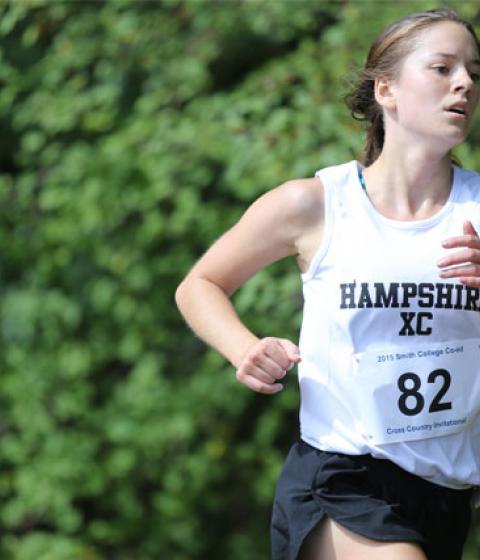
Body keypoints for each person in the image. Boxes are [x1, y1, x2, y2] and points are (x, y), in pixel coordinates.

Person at [175, 7, 480, 560]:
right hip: (342, 479)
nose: (464, 83)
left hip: (449, 493)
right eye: (442, 68)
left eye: (473, 72)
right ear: (385, 89)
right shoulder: (316, 204)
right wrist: (246, 349)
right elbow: (200, 283)